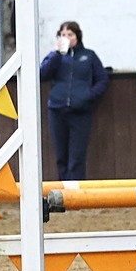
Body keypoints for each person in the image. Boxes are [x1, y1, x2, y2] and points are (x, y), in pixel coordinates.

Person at [40, 21, 108, 181]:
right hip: (57, 110)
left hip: (80, 112)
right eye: (63, 34)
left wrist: (88, 96)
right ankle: (63, 189)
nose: (66, 37)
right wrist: (57, 54)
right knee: (61, 156)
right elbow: (42, 74)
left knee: (77, 158)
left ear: (77, 36)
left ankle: (76, 190)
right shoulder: (54, 56)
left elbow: (102, 80)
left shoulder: (89, 56)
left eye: (70, 34)